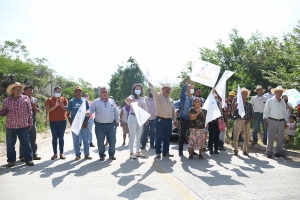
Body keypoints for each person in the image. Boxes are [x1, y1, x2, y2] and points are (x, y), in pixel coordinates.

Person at [0, 82, 34, 167]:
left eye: (20, 89)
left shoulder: (25, 99)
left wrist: (30, 123)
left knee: (25, 143)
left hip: (23, 125)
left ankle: (28, 159)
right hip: (10, 126)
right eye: (17, 89)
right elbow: (4, 111)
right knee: (10, 144)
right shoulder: (6, 101)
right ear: (12, 90)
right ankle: (11, 161)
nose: (19, 91)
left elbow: (30, 112)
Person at [88, 87, 119, 161]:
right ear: (100, 93)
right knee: (100, 141)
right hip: (100, 125)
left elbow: (116, 112)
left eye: (106, 91)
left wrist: (117, 120)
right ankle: (102, 155)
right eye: (103, 92)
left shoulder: (112, 101)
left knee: (113, 140)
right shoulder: (96, 102)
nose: (105, 93)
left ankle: (111, 154)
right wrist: (88, 113)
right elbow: (91, 110)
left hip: (111, 124)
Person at [148, 82, 177, 158]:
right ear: (162, 89)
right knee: (159, 137)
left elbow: (173, 110)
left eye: (168, 89)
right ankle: (158, 152)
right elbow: (154, 93)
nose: (167, 90)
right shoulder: (158, 97)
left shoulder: (170, 99)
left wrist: (175, 120)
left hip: (169, 120)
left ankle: (166, 152)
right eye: (166, 88)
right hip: (160, 120)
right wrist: (152, 87)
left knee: (167, 137)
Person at [67, 87, 92, 161]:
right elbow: (67, 114)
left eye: (80, 91)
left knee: (86, 140)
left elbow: (89, 113)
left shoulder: (85, 101)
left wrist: (86, 122)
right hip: (75, 125)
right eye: (76, 91)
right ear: (74, 93)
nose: (78, 92)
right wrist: (71, 122)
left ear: (82, 93)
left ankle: (87, 154)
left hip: (84, 124)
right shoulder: (71, 102)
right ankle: (78, 155)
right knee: (76, 141)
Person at [45, 86, 68, 160]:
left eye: (59, 92)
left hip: (63, 121)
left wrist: (61, 105)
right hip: (53, 122)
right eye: (56, 91)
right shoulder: (49, 100)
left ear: (61, 92)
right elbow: (48, 110)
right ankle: (55, 154)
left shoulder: (64, 99)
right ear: (53, 92)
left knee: (61, 138)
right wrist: (55, 106)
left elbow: (67, 109)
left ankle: (61, 153)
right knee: (54, 138)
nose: (57, 93)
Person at [125, 83, 148, 159]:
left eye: (139, 89)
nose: (138, 90)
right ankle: (131, 153)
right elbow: (127, 100)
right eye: (136, 89)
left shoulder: (143, 98)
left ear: (141, 90)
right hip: (133, 117)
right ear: (134, 90)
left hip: (140, 118)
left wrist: (146, 118)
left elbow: (145, 109)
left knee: (138, 136)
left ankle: (137, 152)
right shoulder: (132, 97)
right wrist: (128, 100)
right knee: (132, 136)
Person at [19, 85, 41, 161]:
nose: (30, 92)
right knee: (23, 139)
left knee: (33, 139)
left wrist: (35, 107)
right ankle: (22, 156)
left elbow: (38, 111)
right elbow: (21, 111)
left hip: (33, 121)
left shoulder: (35, 99)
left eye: (31, 90)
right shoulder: (21, 99)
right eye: (28, 90)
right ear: (24, 91)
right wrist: (31, 107)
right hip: (23, 122)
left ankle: (34, 154)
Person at [264, 85, 286, 158]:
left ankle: (278, 152)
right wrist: (265, 122)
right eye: (279, 92)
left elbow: (284, 113)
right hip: (272, 120)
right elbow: (266, 112)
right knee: (271, 137)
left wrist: (285, 122)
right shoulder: (270, 101)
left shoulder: (283, 102)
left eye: (281, 92)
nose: (280, 93)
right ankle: (269, 152)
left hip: (281, 121)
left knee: (280, 137)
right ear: (275, 92)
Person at [232, 87, 254, 156]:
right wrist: (235, 107)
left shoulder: (249, 105)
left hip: (246, 121)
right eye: (243, 94)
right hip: (239, 120)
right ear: (240, 95)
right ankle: (235, 150)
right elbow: (233, 113)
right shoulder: (237, 104)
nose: (244, 95)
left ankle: (245, 150)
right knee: (236, 136)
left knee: (247, 136)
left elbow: (252, 113)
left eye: (245, 94)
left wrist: (249, 119)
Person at [178, 77, 194, 156]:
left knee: (192, 135)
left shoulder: (193, 98)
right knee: (183, 134)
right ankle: (180, 150)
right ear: (187, 89)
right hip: (183, 117)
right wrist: (186, 83)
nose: (191, 89)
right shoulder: (184, 96)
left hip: (191, 118)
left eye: (192, 88)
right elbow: (182, 91)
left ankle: (191, 150)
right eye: (190, 88)